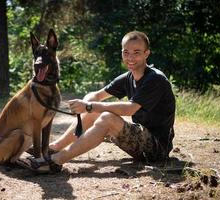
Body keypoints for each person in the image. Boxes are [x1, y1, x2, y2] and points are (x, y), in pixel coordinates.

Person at [28, 31, 176, 173]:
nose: (130, 57)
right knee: (93, 111)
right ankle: (54, 148)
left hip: (157, 149)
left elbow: (130, 109)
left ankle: (55, 161)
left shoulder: (155, 79)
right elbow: (97, 95)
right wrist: (85, 104)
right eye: (126, 52)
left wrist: (89, 106)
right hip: (139, 140)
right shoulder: (128, 77)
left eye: (136, 52)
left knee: (105, 117)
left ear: (146, 53)